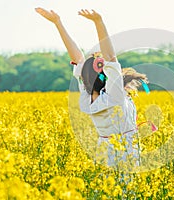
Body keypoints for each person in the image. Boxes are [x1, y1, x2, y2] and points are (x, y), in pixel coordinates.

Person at [35, 7, 149, 167]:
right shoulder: (115, 95)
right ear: (105, 73)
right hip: (126, 151)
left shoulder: (87, 95)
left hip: (104, 151)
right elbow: (110, 57)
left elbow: (77, 58)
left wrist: (58, 23)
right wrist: (99, 22)